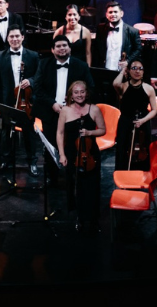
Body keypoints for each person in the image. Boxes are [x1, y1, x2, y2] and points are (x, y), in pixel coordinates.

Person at [31, 35, 95, 207]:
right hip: (51, 112)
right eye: (58, 46)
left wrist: (73, 105)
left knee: (73, 146)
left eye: (65, 45)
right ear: (53, 50)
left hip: (74, 114)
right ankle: (52, 177)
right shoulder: (44, 64)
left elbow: (90, 88)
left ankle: (73, 176)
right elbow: (38, 88)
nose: (62, 48)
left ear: (69, 48)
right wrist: (52, 104)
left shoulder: (80, 65)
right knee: (51, 146)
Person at [56, 80, 106, 233]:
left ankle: (93, 219)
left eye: (82, 92)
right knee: (76, 186)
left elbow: (102, 130)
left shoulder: (94, 109)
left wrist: (90, 132)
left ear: (87, 93)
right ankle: (80, 217)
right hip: (72, 153)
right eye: (76, 92)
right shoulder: (65, 110)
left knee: (92, 186)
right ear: (71, 95)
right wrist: (62, 154)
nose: (79, 95)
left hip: (90, 153)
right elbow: (60, 133)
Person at [0, 25, 40, 175]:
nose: (14, 39)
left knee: (29, 132)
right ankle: (6, 161)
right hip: (7, 101)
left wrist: (30, 81)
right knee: (6, 132)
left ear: (22, 37)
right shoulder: (0, 56)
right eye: (11, 36)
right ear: (7, 39)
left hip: (26, 101)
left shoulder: (33, 55)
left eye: (17, 36)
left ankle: (32, 161)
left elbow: (40, 77)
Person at [113, 58, 157, 171]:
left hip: (143, 122)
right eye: (134, 68)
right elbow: (115, 83)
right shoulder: (123, 86)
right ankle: (123, 176)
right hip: (125, 122)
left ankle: (142, 176)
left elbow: (154, 110)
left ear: (143, 72)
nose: (137, 71)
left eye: (140, 68)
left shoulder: (149, 88)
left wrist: (143, 120)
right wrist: (123, 70)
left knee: (143, 152)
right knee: (123, 150)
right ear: (129, 71)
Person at [93, 1, 142, 71]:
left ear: (121, 13)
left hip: (122, 71)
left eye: (115, 12)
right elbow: (96, 50)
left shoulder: (132, 31)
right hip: (104, 69)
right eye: (110, 12)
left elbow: (138, 49)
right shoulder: (100, 29)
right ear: (106, 15)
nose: (113, 14)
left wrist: (128, 61)